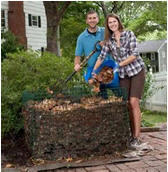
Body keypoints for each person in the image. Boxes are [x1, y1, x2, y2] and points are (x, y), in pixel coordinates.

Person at [92, 13, 146, 148]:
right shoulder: (109, 41)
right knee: (127, 103)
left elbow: (134, 55)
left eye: (114, 21)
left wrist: (118, 65)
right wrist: (94, 71)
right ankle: (132, 134)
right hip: (123, 75)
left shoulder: (129, 34)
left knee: (134, 102)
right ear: (107, 26)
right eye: (110, 23)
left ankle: (137, 137)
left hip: (137, 71)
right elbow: (101, 57)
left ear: (118, 22)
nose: (112, 24)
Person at [74, 10, 119, 95]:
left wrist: (106, 46)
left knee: (119, 92)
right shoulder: (81, 37)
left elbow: (116, 47)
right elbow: (78, 56)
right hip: (93, 69)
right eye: (90, 18)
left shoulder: (106, 31)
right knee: (98, 95)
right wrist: (76, 64)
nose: (92, 20)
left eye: (94, 18)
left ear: (98, 19)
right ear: (86, 21)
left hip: (108, 67)